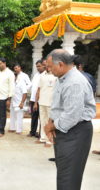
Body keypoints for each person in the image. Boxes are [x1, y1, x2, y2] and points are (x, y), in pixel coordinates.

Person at [44, 49, 96, 190]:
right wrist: (50, 122)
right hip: (63, 128)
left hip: (75, 131)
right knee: (64, 173)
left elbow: (72, 115)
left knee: (69, 177)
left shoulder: (74, 82)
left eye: (50, 66)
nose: (48, 69)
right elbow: (57, 104)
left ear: (60, 64)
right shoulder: (63, 78)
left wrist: (51, 126)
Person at [34, 60, 57, 147]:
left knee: (49, 122)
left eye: (47, 65)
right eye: (45, 65)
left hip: (51, 103)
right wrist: (36, 102)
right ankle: (43, 138)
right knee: (43, 121)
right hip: (42, 102)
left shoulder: (55, 76)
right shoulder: (42, 75)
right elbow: (39, 90)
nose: (46, 67)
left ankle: (49, 140)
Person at [0, 58, 15, 137]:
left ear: (4, 63)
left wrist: (9, 99)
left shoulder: (10, 73)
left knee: (2, 115)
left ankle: (1, 131)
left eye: (0, 64)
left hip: (4, 97)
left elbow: (12, 87)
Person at [28, 60, 45, 137]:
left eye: (39, 66)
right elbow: (33, 87)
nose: (38, 68)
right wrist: (31, 100)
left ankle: (41, 134)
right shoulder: (36, 75)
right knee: (34, 116)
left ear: (43, 65)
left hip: (41, 100)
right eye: (37, 66)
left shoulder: (45, 75)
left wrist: (36, 101)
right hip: (33, 99)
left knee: (42, 117)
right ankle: (33, 132)